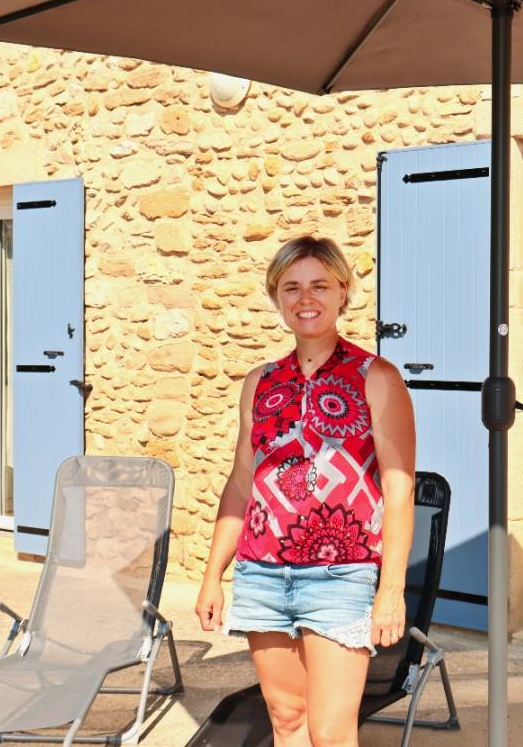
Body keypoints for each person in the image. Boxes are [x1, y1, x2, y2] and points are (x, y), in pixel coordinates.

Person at [196, 235, 416, 747]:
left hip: (341, 576)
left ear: (343, 291)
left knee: (331, 733)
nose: (305, 298)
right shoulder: (260, 381)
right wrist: (213, 575)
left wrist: (391, 590)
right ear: (276, 298)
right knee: (287, 719)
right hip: (261, 573)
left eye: (319, 285)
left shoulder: (376, 377)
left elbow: (399, 489)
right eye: (291, 288)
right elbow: (241, 481)